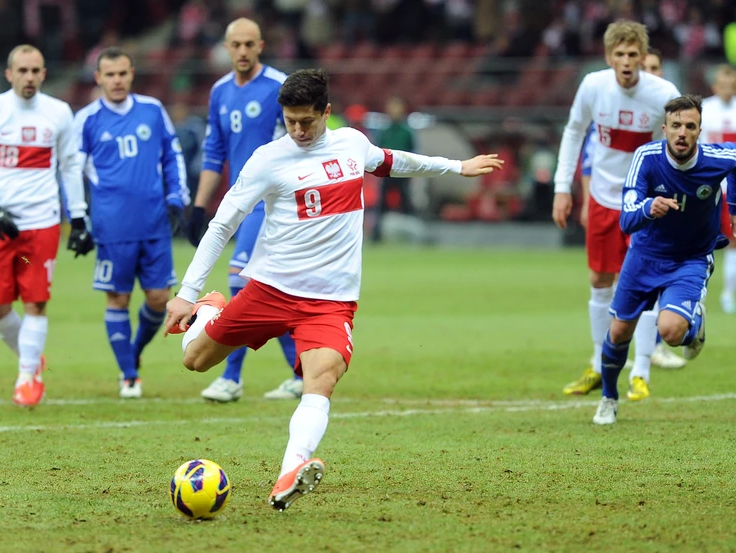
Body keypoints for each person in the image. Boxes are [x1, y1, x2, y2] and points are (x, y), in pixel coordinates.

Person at [164, 69, 504, 511]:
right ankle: (211, 309)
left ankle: (290, 472)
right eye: (290, 121)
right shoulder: (268, 160)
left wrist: (456, 167)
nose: (299, 130)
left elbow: (393, 161)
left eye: (307, 120)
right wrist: (188, 292)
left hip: (329, 301)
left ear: (326, 112)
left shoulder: (351, 144)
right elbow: (222, 225)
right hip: (271, 290)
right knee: (195, 360)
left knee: (321, 378)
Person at [593, 94, 736, 424]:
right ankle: (608, 398)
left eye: (690, 126)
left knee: (672, 331)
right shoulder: (646, 158)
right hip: (644, 257)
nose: (682, 133)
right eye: (676, 125)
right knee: (618, 333)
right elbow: (627, 220)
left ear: (699, 131)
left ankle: (692, 327)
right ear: (664, 129)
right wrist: (649, 207)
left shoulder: (716, 158)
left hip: (691, 258)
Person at [553, 21, 681, 402]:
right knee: (599, 279)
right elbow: (573, 131)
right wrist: (562, 187)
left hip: (645, 203)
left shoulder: (663, 94)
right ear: (609, 57)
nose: (626, 61)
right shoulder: (593, 86)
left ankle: (641, 371)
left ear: (643, 58)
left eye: (633, 54)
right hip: (603, 199)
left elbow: (684, 141)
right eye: (620, 54)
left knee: (645, 284)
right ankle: (598, 363)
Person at [0, 44, 92, 407]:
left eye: (35, 71)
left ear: (44, 74)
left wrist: (78, 217)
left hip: (42, 222)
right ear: (9, 74)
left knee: (36, 302)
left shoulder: (58, 112)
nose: (29, 77)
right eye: (22, 70)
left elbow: (70, 166)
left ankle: (26, 379)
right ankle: (32, 357)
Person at [185, 18, 302, 403]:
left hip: (273, 204)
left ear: (261, 46)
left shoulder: (279, 87)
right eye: (235, 44)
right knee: (265, 289)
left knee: (239, 281)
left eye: (249, 44)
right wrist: (199, 206)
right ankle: (301, 372)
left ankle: (231, 378)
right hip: (240, 202)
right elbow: (214, 152)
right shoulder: (219, 91)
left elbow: (298, 144)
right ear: (226, 47)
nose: (242, 51)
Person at [73, 47, 189, 398]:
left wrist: (176, 197)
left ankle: (133, 351)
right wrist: (77, 217)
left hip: (154, 221)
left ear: (132, 74)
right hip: (112, 226)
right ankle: (129, 375)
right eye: (110, 75)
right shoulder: (87, 120)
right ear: (98, 78)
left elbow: (172, 155)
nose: (117, 80)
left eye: (122, 73)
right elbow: (71, 171)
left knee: (159, 298)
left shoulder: (152, 110)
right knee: (118, 299)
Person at [700, 64, 736, 314]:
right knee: (700, 238)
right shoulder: (703, 109)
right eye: (722, 86)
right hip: (709, 185)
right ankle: (696, 289)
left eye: (731, 86)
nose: (727, 91)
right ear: (714, 87)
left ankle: (729, 294)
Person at [370, 95, 417, 243]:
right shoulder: (384, 131)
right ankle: (377, 235)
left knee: (406, 203)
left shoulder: (407, 132)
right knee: (382, 204)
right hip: (386, 172)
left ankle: (413, 234)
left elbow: (413, 152)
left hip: (403, 173)